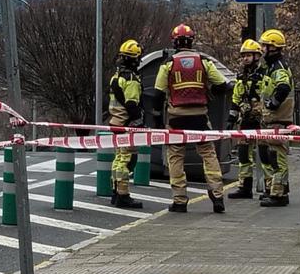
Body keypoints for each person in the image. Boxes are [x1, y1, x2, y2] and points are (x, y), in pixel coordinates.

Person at [149, 23, 230, 213]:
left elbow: (158, 94)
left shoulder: (168, 65)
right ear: (191, 41)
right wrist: (209, 91)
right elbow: (223, 85)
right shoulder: (204, 62)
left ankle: (179, 200)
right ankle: (217, 196)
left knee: (176, 156)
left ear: (175, 42)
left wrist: (158, 120)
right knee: (209, 154)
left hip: (176, 117)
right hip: (200, 118)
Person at [257, 28, 295, 207]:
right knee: (269, 155)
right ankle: (276, 189)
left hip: (279, 120)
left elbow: (283, 87)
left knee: (277, 157)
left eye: (264, 45)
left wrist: (273, 104)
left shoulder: (278, 67)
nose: (262, 49)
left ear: (273, 47)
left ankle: (279, 195)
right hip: (272, 120)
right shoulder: (271, 67)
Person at [108, 39, 145, 209]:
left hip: (116, 123)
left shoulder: (116, 77)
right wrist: (139, 124)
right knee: (128, 159)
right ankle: (123, 195)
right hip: (127, 125)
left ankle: (116, 192)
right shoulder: (131, 79)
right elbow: (132, 104)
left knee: (118, 159)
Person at [228, 39, 264, 200]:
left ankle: (270, 187)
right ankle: (245, 187)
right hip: (246, 119)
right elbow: (236, 98)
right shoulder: (241, 76)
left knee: (265, 154)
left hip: (261, 120)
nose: (246, 59)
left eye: (249, 55)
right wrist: (231, 118)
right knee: (243, 154)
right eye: (244, 56)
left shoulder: (265, 74)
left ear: (257, 56)